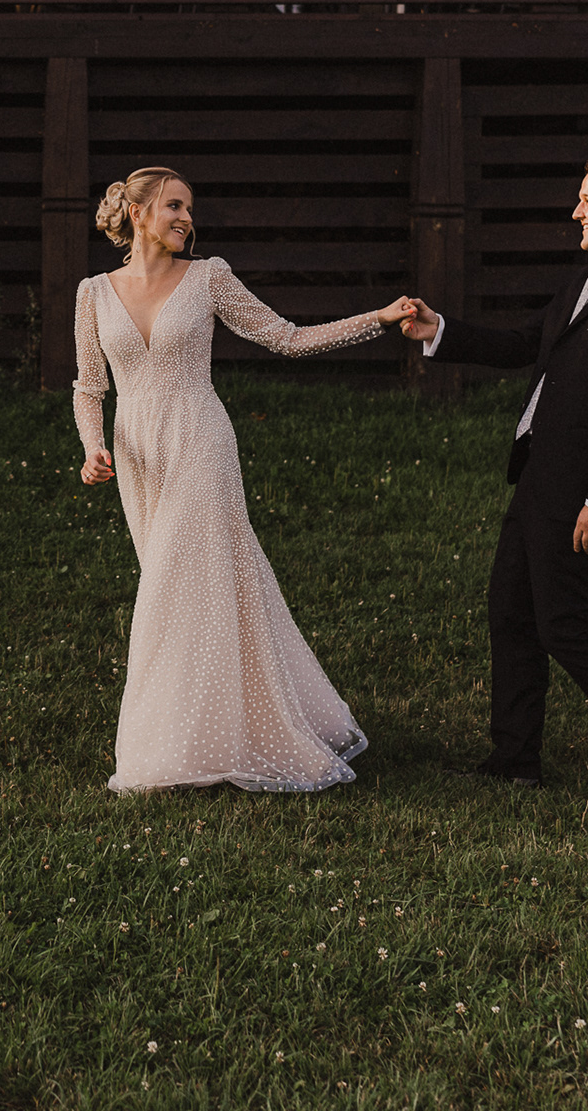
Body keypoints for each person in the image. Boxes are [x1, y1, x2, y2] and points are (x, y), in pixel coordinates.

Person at [74, 166, 415, 793]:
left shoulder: (208, 277)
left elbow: (287, 338)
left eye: (189, 208)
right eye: (174, 206)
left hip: (200, 442)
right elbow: (89, 386)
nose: (186, 219)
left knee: (170, 590)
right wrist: (93, 447)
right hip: (137, 455)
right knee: (184, 591)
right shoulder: (93, 293)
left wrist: (380, 317)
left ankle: (166, 750)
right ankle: (204, 733)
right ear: (139, 213)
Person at [401, 151, 588, 807]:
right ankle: (515, 760)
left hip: (580, 491)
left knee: (566, 626)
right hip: (538, 476)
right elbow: (524, 344)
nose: (576, 212)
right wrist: (440, 331)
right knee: (511, 613)